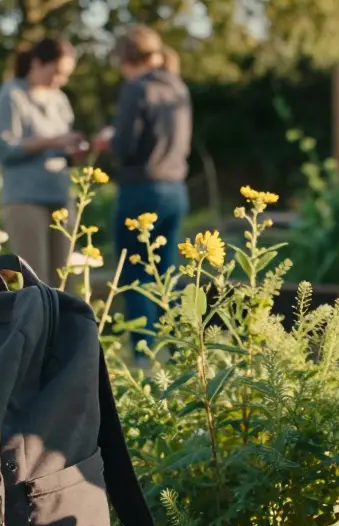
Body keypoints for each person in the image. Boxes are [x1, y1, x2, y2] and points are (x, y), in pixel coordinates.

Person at [93, 25, 191, 351]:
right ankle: (182, 350)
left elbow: (124, 144)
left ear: (125, 58)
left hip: (140, 189)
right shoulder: (177, 86)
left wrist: (108, 139)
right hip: (175, 187)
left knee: (133, 273)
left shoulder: (137, 88)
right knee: (167, 275)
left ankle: (143, 351)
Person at [0, 37, 86, 283]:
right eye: (56, 72)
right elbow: (2, 149)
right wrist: (52, 141)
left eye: (66, 75)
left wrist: (73, 151)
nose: (60, 80)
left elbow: (62, 145)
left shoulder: (59, 99)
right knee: (34, 280)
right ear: (37, 63)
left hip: (59, 196)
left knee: (65, 279)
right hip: (24, 200)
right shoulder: (11, 95)